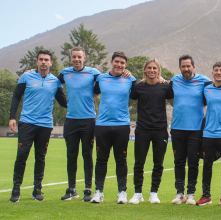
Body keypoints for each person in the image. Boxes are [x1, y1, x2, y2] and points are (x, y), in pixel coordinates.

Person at [9, 49, 67, 202]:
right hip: (27, 122)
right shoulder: (26, 76)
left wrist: (79, 97)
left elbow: (63, 102)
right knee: (22, 155)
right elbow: (16, 96)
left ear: (51, 62)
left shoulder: (55, 81)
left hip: (45, 125)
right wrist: (12, 117)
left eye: (46, 60)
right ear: (37, 61)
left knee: (40, 157)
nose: (43, 62)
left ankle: (37, 190)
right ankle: (16, 189)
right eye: (41, 59)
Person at [90, 51, 136, 204]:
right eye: (117, 62)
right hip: (102, 125)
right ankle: (98, 192)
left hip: (122, 125)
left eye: (122, 63)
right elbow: (93, 94)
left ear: (125, 65)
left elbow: (140, 93)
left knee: (121, 159)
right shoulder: (101, 78)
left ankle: (122, 192)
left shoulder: (130, 79)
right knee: (101, 159)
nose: (119, 65)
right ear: (111, 62)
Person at [57, 47, 100, 202]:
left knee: (87, 155)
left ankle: (88, 189)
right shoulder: (65, 73)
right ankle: (71, 189)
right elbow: (52, 84)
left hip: (88, 120)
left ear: (84, 58)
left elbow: (107, 81)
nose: (76, 59)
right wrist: (64, 103)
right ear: (71, 58)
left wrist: (126, 74)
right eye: (74, 57)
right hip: (71, 120)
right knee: (71, 155)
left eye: (79, 57)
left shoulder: (93, 72)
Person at [128, 59, 173, 204]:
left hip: (160, 130)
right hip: (142, 130)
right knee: (139, 163)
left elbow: (174, 103)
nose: (152, 70)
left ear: (158, 71)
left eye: (154, 68)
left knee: (158, 163)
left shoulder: (165, 87)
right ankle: (137, 193)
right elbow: (128, 103)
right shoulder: (138, 87)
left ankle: (154, 193)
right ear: (145, 70)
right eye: (149, 68)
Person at [170, 55, 212, 205]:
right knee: (179, 162)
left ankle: (191, 194)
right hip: (177, 128)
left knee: (193, 162)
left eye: (188, 66)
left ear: (193, 67)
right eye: (183, 66)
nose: (186, 69)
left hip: (195, 129)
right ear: (180, 67)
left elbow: (216, 93)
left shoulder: (204, 81)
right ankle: (179, 193)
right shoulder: (174, 80)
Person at [195, 62, 221, 207]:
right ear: (212, 73)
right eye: (216, 70)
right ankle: (206, 195)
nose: (218, 72)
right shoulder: (206, 89)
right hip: (209, 134)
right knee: (207, 165)